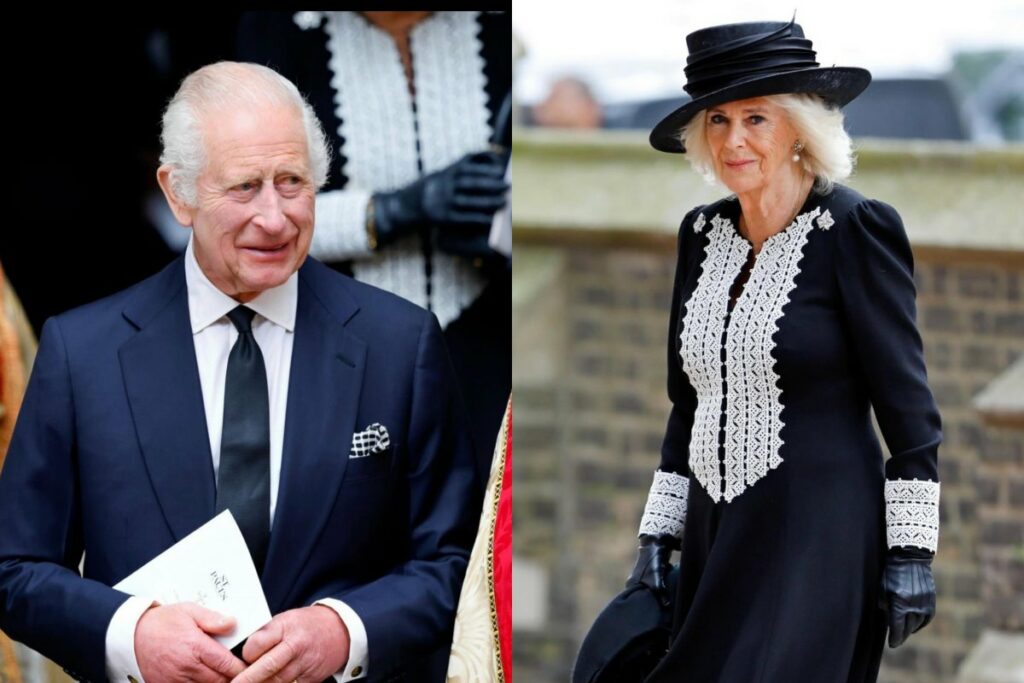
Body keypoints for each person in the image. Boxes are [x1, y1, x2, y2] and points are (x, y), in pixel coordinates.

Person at [0, 61, 479, 683]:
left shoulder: (400, 343)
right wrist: (132, 633)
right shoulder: (81, 352)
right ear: (179, 194)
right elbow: (17, 568)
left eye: (292, 182)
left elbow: (455, 562)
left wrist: (344, 630)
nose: (276, 218)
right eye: (245, 187)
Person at [623, 20, 942, 682]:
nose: (734, 139)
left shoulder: (856, 228)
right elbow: (687, 403)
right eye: (719, 120)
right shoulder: (701, 233)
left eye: (756, 118)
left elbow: (909, 411)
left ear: (798, 127)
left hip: (820, 537)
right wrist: (659, 534)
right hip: (717, 539)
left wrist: (912, 551)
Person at [236, 11, 512, 490]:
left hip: (488, 349)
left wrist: (500, 225)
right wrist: (398, 209)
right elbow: (247, 216)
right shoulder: (277, 33)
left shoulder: (499, 26)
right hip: (335, 352)